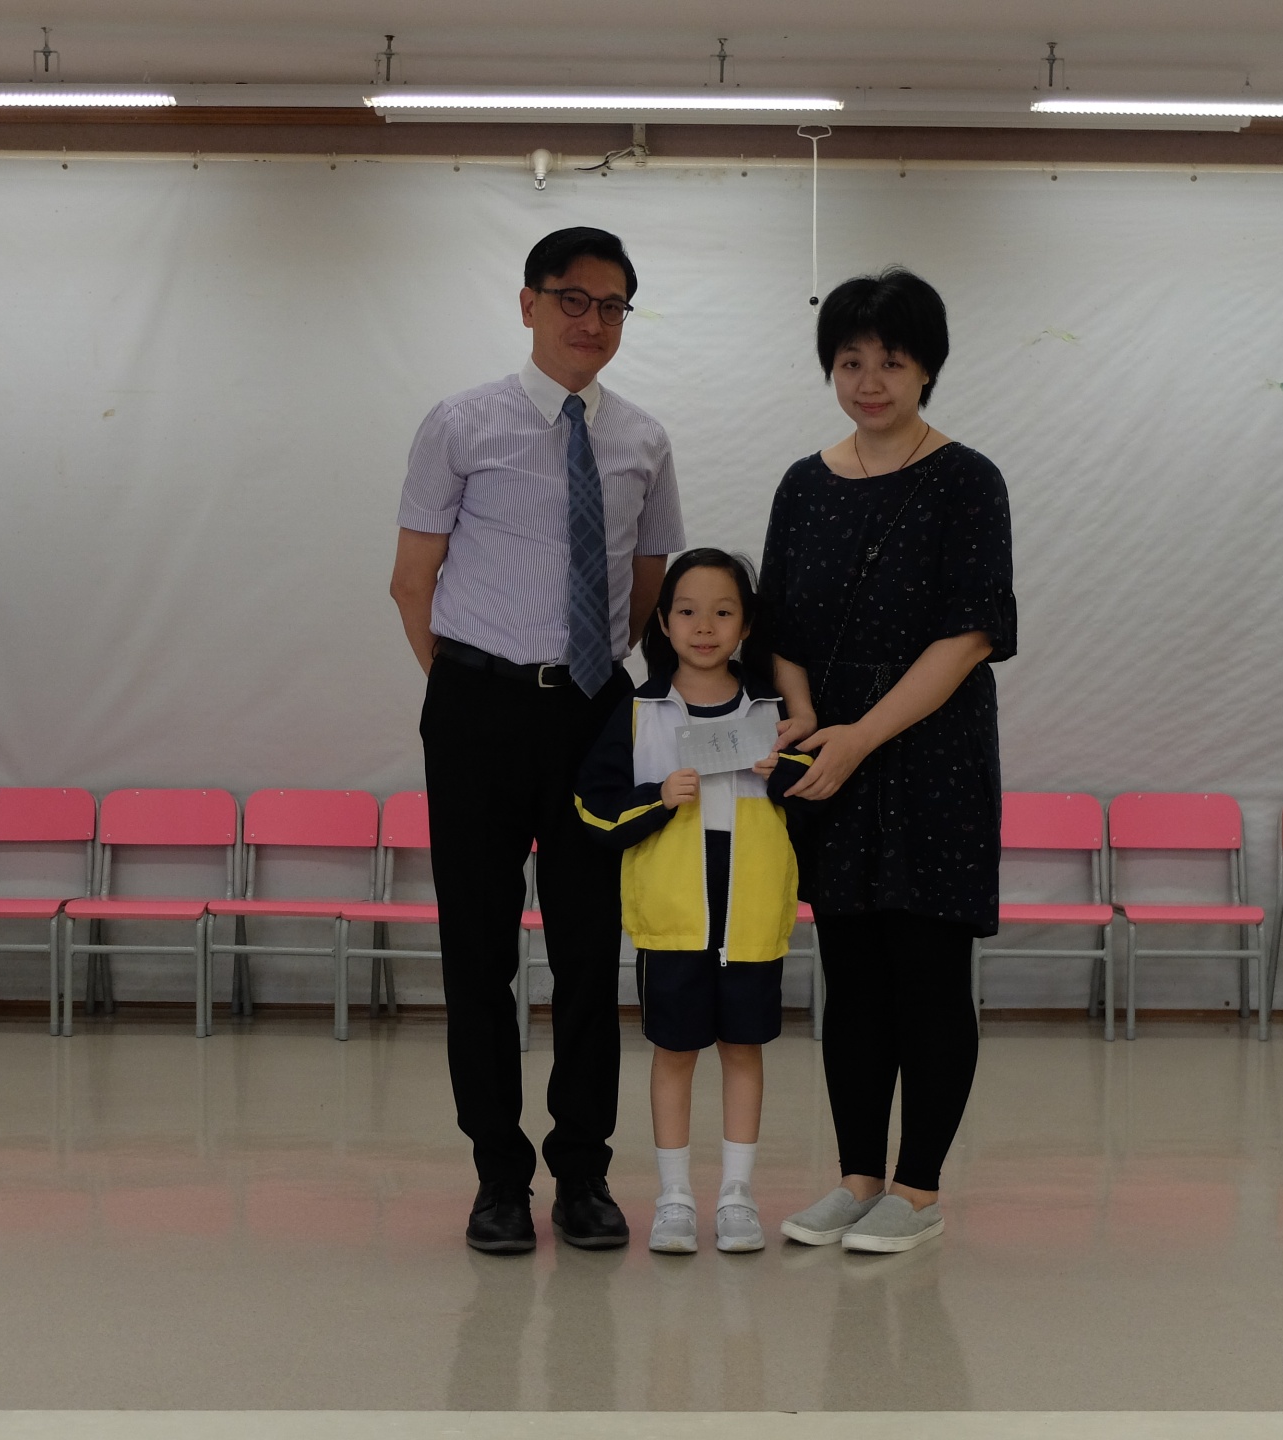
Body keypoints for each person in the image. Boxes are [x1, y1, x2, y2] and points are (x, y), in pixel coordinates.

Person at [389, 227, 685, 1254]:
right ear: (528, 304)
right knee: (478, 958)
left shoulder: (644, 439)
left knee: (589, 957)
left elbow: (649, 582)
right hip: (478, 708)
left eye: (611, 306)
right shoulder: (459, 424)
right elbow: (412, 582)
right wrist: (469, 691)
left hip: (594, 718)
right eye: (572, 299)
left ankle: (585, 1174)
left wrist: (591, 680)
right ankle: (497, 1179)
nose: (591, 321)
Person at [757, 267, 1016, 1254]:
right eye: (850, 362)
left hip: (931, 750)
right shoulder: (803, 483)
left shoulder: (968, 480)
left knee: (929, 976)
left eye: (891, 362)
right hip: (830, 757)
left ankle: (918, 1189)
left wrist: (864, 733)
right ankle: (857, 1178)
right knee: (851, 977)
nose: (869, 382)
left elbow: (971, 634)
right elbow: (777, 625)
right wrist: (806, 714)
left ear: (928, 370)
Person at [573, 550, 812, 1254]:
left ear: (746, 625)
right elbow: (593, 808)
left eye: (723, 612)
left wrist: (782, 769)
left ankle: (737, 1195)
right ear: (663, 621)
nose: (704, 627)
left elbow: (818, 789)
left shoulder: (774, 711)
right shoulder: (639, 710)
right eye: (687, 611)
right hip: (672, 920)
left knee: (744, 1049)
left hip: (751, 918)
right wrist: (656, 798)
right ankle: (674, 1197)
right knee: (674, 1053)